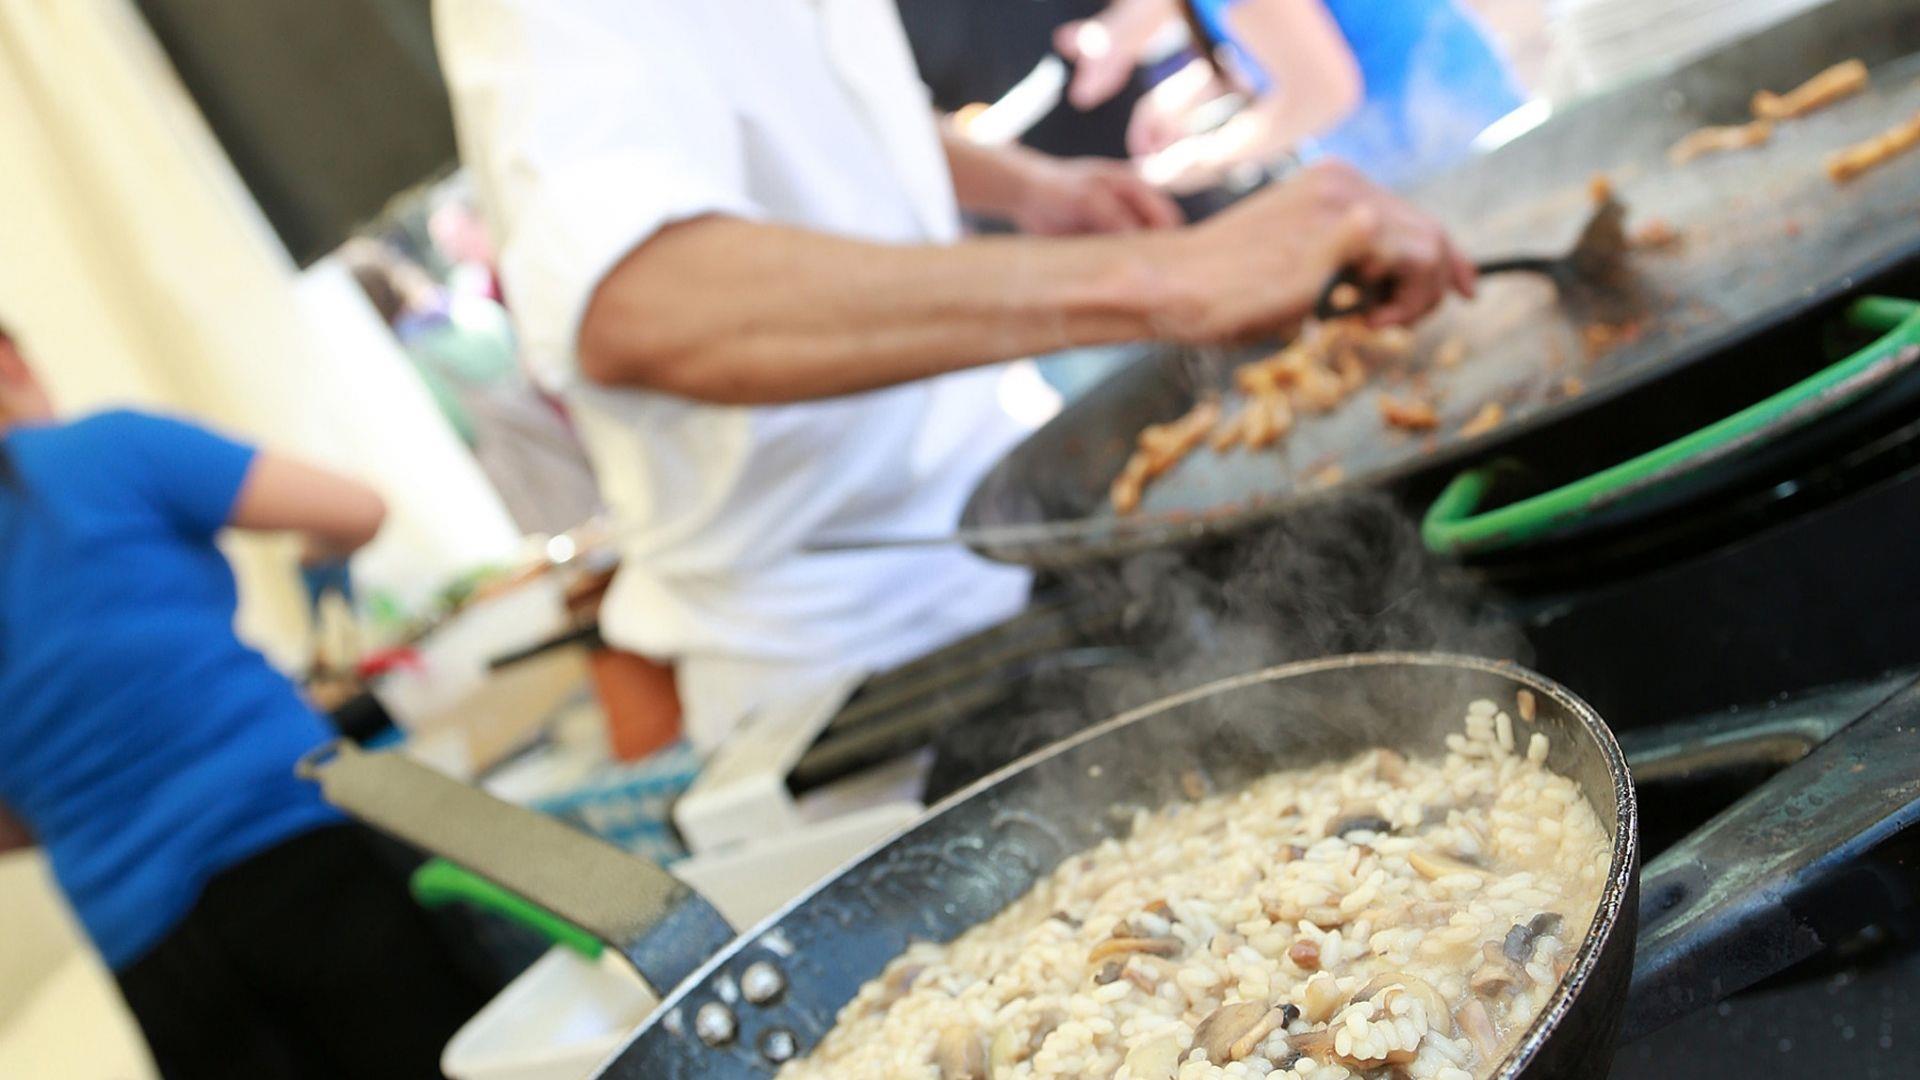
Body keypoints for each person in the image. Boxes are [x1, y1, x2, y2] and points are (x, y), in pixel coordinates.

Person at [433, 0, 1473, 750]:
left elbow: (825, 112)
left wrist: (1029, 187)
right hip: (845, 657)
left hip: (998, 546)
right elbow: (634, 296)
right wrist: (1163, 274)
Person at [0, 324, 494, 1079]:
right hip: (295, 841)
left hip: (151, 948)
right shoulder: (104, 451)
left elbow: (8, 831)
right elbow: (355, 508)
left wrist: (81, 793)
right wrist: (318, 564)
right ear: (8, 361)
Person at [1059, 0, 1525, 192]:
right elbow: (1303, 39)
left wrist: (1200, 159)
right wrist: (1188, 94)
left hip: (1442, 144)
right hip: (1450, 106)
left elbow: (1323, 92)